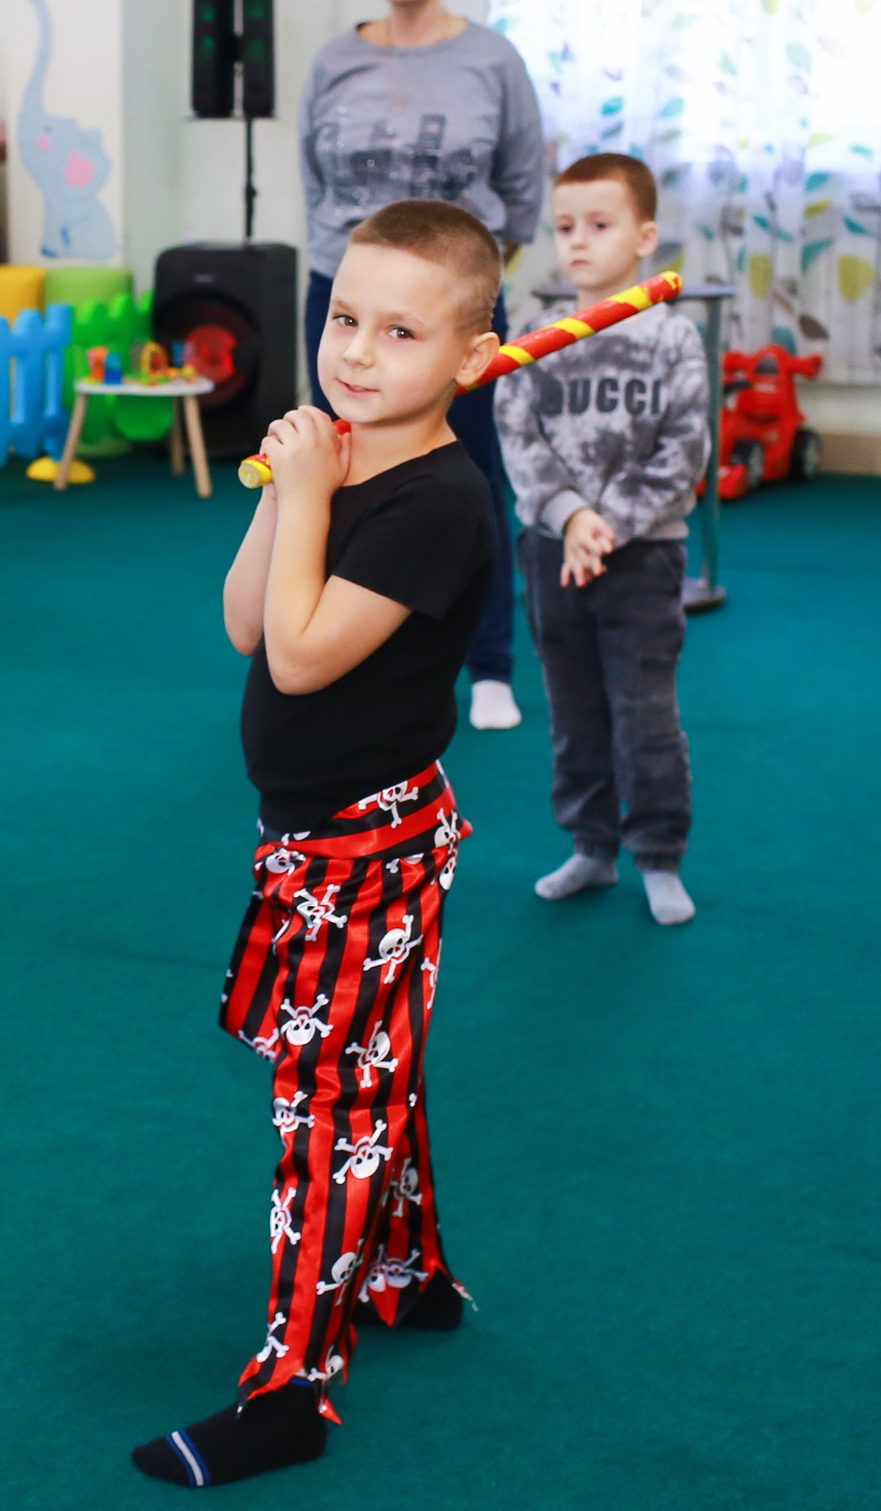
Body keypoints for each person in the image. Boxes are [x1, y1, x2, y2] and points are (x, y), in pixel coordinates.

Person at [133, 201, 502, 1489]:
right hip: (316, 839)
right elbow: (247, 619)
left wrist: (308, 495)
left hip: (368, 849)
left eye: (401, 332)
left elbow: (299, 660)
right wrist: (294, 495)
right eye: (346, 316)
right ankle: (409, 1277)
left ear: (467, 356)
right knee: (366, 1070)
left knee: (331, 1103)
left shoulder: (441, 506)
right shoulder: (352, 470)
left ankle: (295, 1388)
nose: (356, 350)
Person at [297, 0, 545, 734]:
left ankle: (487, 667)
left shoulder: (491, 58)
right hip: (345, 294)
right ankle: (342, 643)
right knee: (347, 472)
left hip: (446, 312)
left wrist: (462, 290)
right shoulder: (334, 61)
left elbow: (521, 185)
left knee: (469, 475)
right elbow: (314, 179)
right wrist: (349, 293)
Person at [494, 153, 707, 926]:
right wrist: (571, 518)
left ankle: (658, 853)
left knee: (645, 710)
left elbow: (684, 451)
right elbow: (519, 442)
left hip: (645, 556)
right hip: (553, 552)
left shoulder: (671, 339)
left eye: (600, 224)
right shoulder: (533, 338)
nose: (578, 241)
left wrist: (607, 522)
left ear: (646, 236)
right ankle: (591, 845)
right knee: (572, 707)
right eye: (565, 227)